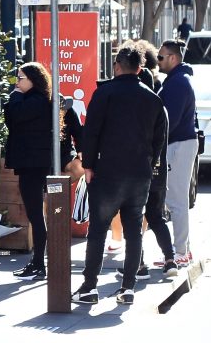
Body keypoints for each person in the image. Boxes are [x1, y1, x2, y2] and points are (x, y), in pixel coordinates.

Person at [72, 44, 167, 305]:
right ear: (140, 68)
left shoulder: (104, 94)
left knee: (98, 229)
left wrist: (88, 165)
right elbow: (159, 139)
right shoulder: (152, 98)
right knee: (134, 230)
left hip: (107, 171)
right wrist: (150, 162)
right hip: (139, 173)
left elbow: (90, 132)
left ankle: (90, 287)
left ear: (116, 66)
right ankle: (128, 288)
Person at [3, 62, 52, 281]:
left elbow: (16, 115)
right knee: (34, 214)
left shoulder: (36, 101)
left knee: (35, 214)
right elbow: (11, 119)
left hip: (34, 163)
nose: (17, 82)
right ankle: (37, 262)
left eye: (20, 78)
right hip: (30, 162)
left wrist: (14, 95)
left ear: (33, 79)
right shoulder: (32, 99)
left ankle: (40, 263)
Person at [157, 39, 198, 267]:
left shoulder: (178, 83)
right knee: (176, 199)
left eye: (161, 57)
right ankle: (183, 249)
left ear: (173, 58)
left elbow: (168, 121)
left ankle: (180, 251)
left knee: (176, 200)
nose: (158, 60)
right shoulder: (178, 80)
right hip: (180, 143)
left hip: (179, 144)